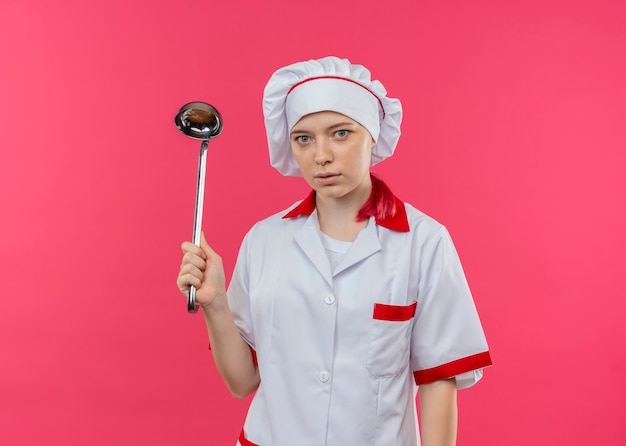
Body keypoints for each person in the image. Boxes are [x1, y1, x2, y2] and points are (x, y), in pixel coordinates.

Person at [177, 56, 492, 446]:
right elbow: (242, 382)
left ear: (373, 134)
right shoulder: (264, 241)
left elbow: (438, 380)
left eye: (340, 133)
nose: (321, 155)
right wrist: (215, 304)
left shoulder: (424, 243)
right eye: (303, 138)